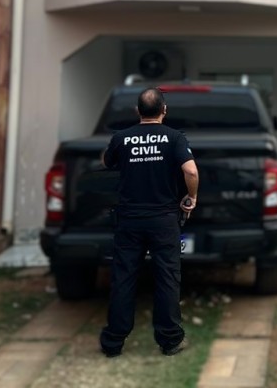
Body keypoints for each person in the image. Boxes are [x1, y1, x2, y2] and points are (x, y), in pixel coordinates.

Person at [99, 87, 199, 357]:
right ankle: (170, 340)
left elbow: (107, 161)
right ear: (164, 110)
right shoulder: (175, 138)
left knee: (124, 278)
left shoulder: (122, 138)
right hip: (164, 220)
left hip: (129, 220)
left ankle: (113, 342)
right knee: (167, 277)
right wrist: (191, 196)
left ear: (138, 111)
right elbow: (190, 170)